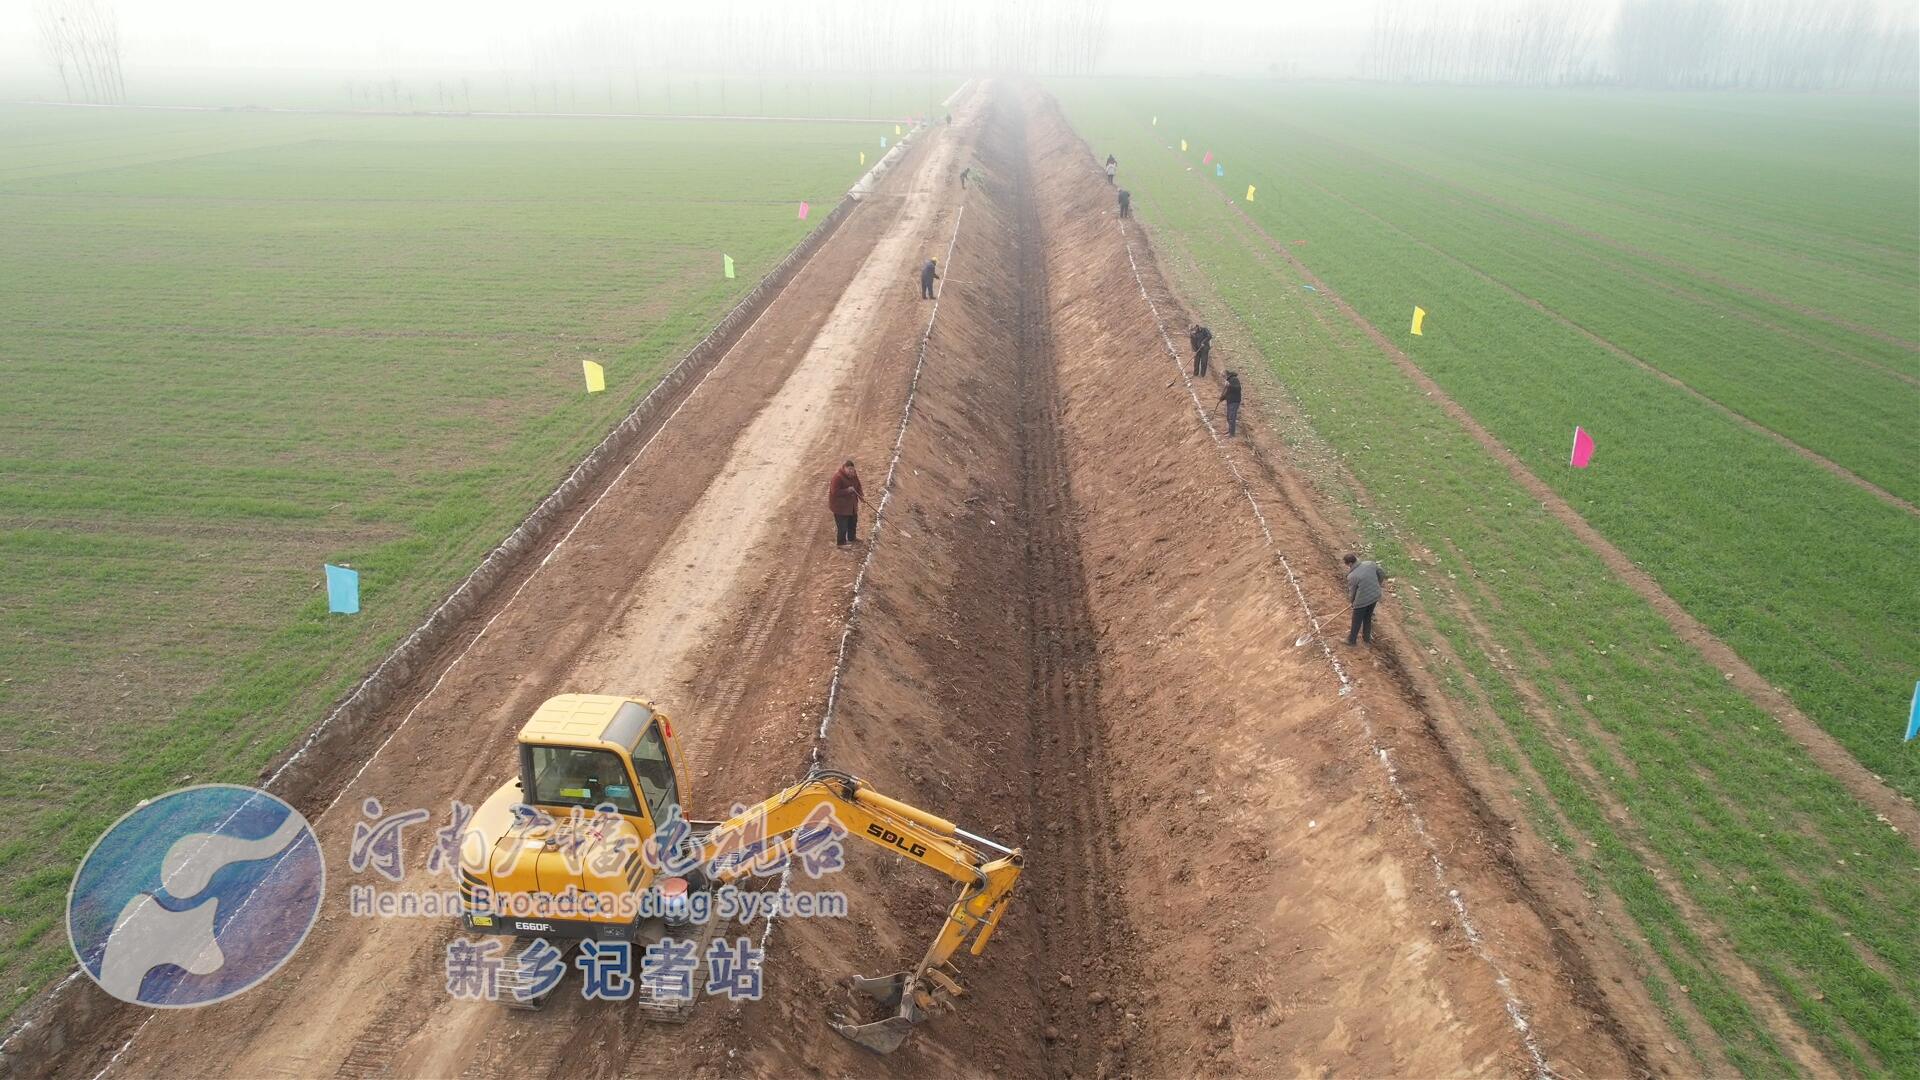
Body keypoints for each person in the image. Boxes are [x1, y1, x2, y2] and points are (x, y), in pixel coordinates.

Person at [1343, 554, 1388, 646]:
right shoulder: (1370, 564)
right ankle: (1366, 638)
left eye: (1347, 565)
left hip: (1362, 601)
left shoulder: (1352, 576)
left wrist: (1352, 603)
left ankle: (1351, 641)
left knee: (1356, 621)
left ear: (1350, 563)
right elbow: (1382, 573)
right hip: (1375, 596)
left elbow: (1352, 592)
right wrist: (1377, 584)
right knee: (1367, 617)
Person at [828, 460, 863, 546]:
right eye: (849, 469)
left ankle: (852, 538)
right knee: (842, 527)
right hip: (840, 507)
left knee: (853, 522)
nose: (851, 471)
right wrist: (847, 490)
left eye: (852, 469)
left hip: (851, 506)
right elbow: (834, 492)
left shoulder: (854, 475)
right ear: (844, 468)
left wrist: (861, 495)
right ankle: (841, 543)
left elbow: (858, 485)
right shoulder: (837, 477)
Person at [1218, 371, 1241, 435]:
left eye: (1223, 376)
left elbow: (1238, 388)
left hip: (1234, 401)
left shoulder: (1234, 379)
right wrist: (1222, 398)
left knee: (1232, 417)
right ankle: (1229, 431)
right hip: (1230, 401)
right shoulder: (1229, 380)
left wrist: (1229, 385)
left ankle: (1232, 433)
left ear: (1226, 374)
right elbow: (1228, 392)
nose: (1223, 378)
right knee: (1228, 417)